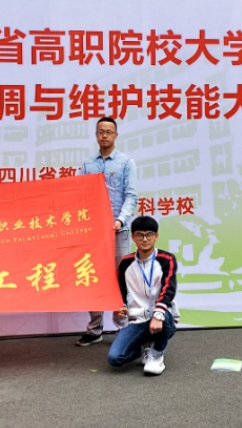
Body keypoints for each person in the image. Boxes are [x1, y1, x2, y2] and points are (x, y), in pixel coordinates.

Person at [76, 116, 138, 346]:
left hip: (118, 232)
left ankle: (122, 328)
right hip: (94, 234)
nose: (104, 135)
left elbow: (131, 196)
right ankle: (95, 329)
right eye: (100, 131)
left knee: (121, 280)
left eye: (108, 132)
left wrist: (120, 220)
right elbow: (79, 194)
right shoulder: (87, 164)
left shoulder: (125, 163)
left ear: (116, 135)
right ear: (96, 135)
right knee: (93, 277)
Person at [107, 215, 179, 376]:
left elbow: (168, 289)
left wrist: (158, 314)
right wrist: (120, 307)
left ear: (156, 236)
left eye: (149, 235)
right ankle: (141, 348)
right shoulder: (126, 262)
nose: (145, 239)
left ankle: (156, 354)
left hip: (163, 317)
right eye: (140, 235)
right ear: (133, 237)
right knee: (115, 358)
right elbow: (121, 291)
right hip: (138, 319)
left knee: (161, 314)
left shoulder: (166, 259)